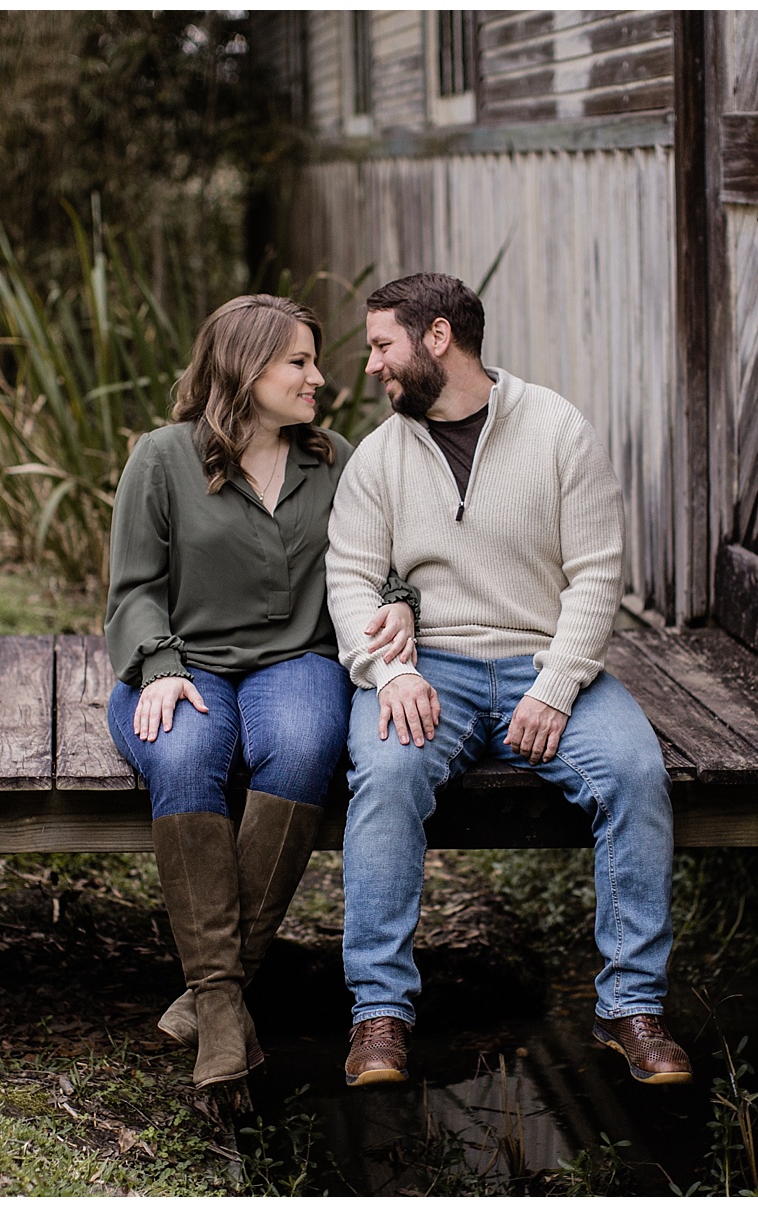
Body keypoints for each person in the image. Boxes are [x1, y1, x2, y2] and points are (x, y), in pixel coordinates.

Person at [325, 272, 693, 1088]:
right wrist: (389, 672)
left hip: (545, 661)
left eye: (382, 345)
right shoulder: (380, 455)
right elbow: (350, 579)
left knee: (634, 772)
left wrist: (557, 685)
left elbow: (597, 576)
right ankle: (379, 1015)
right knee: (385, 775)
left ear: (438, 337)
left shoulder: (558, 429)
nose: (372, 366)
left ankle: (631, 1007)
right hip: (431, 671)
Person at [103, 294, 417, 1088]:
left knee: (310, 741)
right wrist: (161, 665)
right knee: (182, 754)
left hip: (297, 660)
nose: (321, 377)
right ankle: (222, 1008)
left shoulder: (336, 458)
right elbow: (135, 589)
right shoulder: (162, 458)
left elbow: (384, 560)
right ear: (246, 369)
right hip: (181, 663)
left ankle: (211, 995)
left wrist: (399, 603)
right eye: (299, 362)